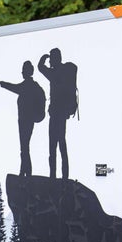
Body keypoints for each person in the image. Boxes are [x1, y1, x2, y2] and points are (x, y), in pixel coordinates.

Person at [0, 60, 46, 177]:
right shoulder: (32, 86)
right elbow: (15, 87)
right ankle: (25, 171)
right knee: (25, 147)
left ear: (26, 72)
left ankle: (25, 172)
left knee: (24, 147)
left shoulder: (27, 86)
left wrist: (1, 83)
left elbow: (13, 87)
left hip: (25, 120)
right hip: (27, 120)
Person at [38, 48, 77, 179]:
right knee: (61, 144)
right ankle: (64, 175)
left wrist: (43, 58)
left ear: (55, 59)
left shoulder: (54, 73)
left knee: (53, 146)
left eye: (51, 60)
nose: (50, 63)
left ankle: (53, 176)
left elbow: (40, 67)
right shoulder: (67, 70)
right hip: (62, 113)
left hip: (55, 113)